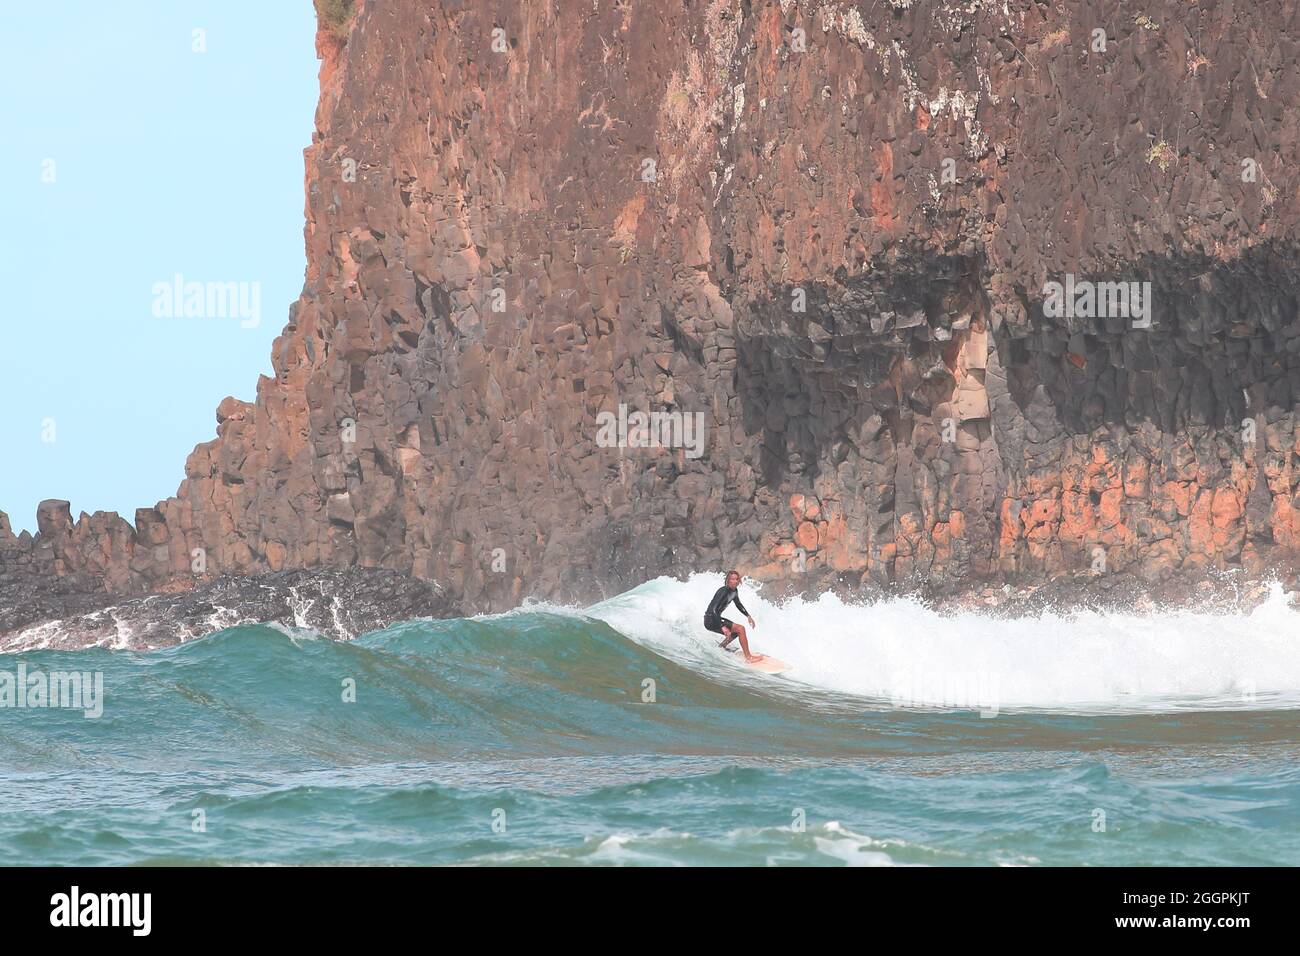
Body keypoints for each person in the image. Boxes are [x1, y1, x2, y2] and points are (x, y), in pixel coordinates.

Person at [704, 570, 762, 662]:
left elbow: (738, 604)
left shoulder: (734, 591)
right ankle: (749, 658)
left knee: (736, 632)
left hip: (716, 618)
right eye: (732, 579)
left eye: (736, 579)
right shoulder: (722, 591)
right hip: (711, 619)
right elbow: (713, 610)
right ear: (728, 580)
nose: (735, 581)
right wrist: (722, 626)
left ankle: (721, 647)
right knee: (741, 629)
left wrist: (748, 616)